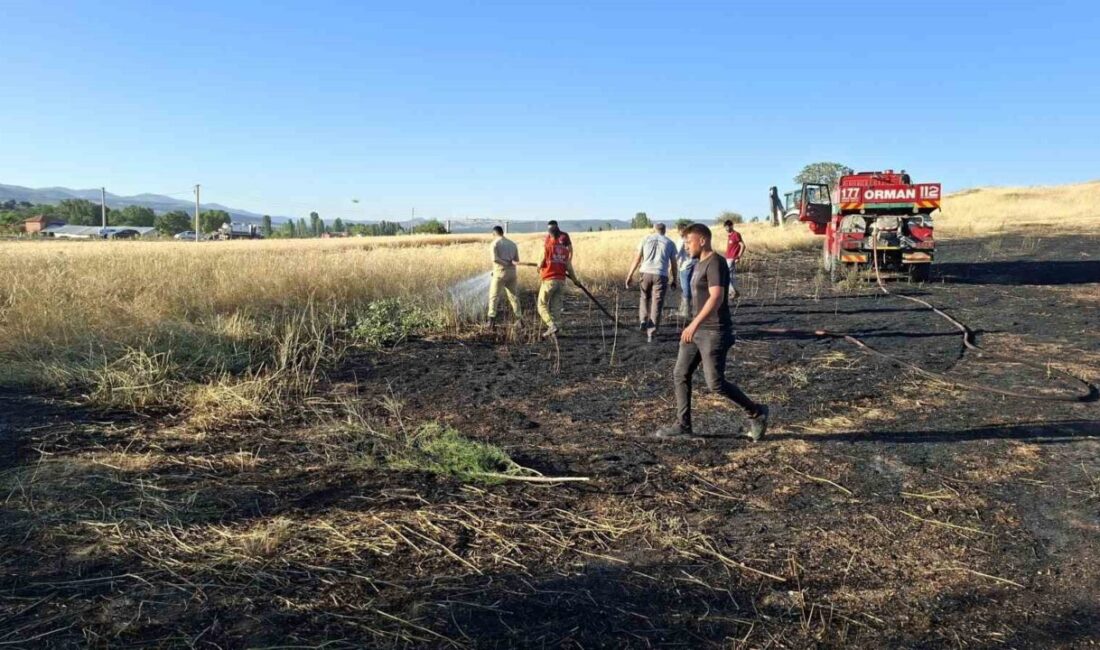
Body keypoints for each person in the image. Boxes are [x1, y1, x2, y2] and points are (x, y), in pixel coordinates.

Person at [656, 223, 768, 441]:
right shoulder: (698, 263)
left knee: (715, 384)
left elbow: (716, 297)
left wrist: (693, 324)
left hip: (714, 331)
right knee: (680, 374)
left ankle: (757, 412)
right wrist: (692, 325)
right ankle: (683, 425)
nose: (686, 246)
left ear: (703, 240)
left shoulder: (716, 262)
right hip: (696, 331)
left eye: (689, 241)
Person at [624, 223, 678, 342]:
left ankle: (643, 320)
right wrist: (675, 279)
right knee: (656, 303)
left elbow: (637, 259)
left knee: (644, 297)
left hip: (645, 272)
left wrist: (629, 275)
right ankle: (651, 333)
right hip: (661, 274)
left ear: (654, 229)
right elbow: (674, 264)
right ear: (665, 230)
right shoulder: (670, 243)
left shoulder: (645, 239)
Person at [537, 221, 576, 337]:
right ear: (560, 236)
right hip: (561, 281)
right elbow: (569, 267)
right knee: (556, 307)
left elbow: (540, 263)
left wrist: (539, 267)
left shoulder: (546, 247)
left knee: (541, 304)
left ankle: (551, 325)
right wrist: (575, 280)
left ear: (549, 235)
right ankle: (558, 331)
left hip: (549, 281)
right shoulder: (565, 251)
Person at [487, 225, 521, 326]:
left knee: (494, 296)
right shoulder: (512, 244)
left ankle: (491, 320)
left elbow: (495, 259)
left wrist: (504, 263)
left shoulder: (494, 244)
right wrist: (509, 263)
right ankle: (519, 319)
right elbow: (517, 260)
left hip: (500, 273)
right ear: (502, 232)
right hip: (512, 274)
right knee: (514, 297)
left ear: (494, 234)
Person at [675, 224, 696, 318]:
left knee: (685, 287)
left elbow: (677, 254)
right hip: (693, 263)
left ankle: (686, 311)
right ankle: (688, 309)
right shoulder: (691, 239)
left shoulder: (682, 240)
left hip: (684, 265)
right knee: (690, 286)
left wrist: (672, 264)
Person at [723, 220, 745, 299]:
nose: (727, 228)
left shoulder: (736, 234)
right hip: (728, 257)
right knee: (730, 275)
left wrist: (738, 256)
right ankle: (734, 292)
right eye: (725, 227)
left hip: (732, 258)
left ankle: (733, 292)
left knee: (728, 275)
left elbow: (742, 245)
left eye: (728, 226)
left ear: (732, 226)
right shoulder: (730, 236)